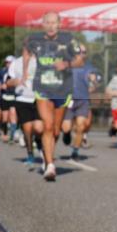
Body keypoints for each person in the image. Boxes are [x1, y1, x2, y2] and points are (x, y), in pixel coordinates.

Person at [23, 11, 83, 181]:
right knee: (47, 126)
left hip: (63, 89)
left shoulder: (69, 39)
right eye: (47, 22)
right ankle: (50, 165)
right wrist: (25, 71)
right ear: (43, 24)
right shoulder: (34, 39)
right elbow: (26, 51)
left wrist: (67, 63)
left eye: (53, 22)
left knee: (56, 130)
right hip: (42, 88)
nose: (50, 26)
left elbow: (80, 60)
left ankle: (45, 153)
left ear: (59, 24)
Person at [7, 45, 43, 170]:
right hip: (22, 99)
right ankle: (30, 154)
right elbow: (7, 82)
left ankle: (39, 143)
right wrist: (16, 81)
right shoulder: (16, 63)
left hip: (39, 99)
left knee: (39, 128)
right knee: (27, 130)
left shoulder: (41, 61)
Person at [61, 44, 96, 160]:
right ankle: (66, 134)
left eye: (84, 52)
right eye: (80, 51)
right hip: (69, 100)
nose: (83, 54)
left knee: (81, 126)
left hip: (83, 100)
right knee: (66, 128)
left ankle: (75, 150)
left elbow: (94, 80)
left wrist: (93, 82)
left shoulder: (88, 67)